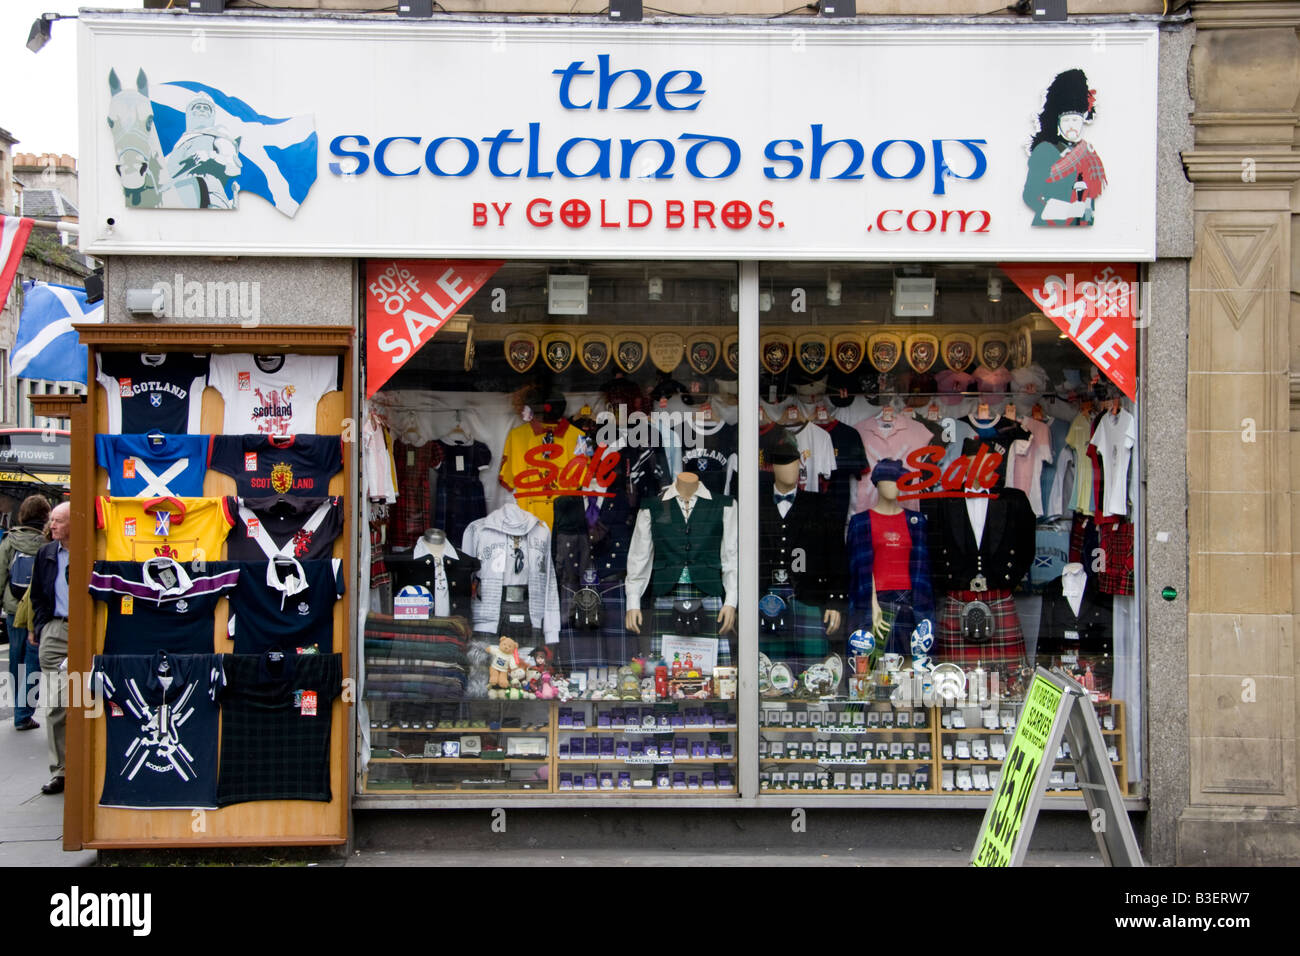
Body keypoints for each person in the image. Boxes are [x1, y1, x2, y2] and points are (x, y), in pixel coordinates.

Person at [1022, 68, 1108, 227]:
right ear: (1058, 124)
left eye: (1075, 120)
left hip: (1081, 228)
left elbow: (1091, 195)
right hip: (1050, 226)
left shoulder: (1088, 154)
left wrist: (1085, 213)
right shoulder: (1044, 152)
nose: (1071, 126)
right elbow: (1031, 196)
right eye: (1066, 120)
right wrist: (1068, 211)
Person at [29, 502, 70, 795]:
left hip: (87, 630)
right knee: (56, 704)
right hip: (56, 629)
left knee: (84, 701)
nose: (52, 525)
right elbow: (38, 593)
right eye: (51, 520)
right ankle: (61, 771)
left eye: (58, 521)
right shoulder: (45, 554)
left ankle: (89, 765)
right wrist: (43, 627)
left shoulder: (91, 549)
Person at [0, 495, 51, 731]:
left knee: (15, 658)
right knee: (33, 662)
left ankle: (17, 707)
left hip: (13, 609)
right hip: (38, 612)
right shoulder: (48, 543)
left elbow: (1, 576)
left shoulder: (10, 541)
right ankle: (24, 712)